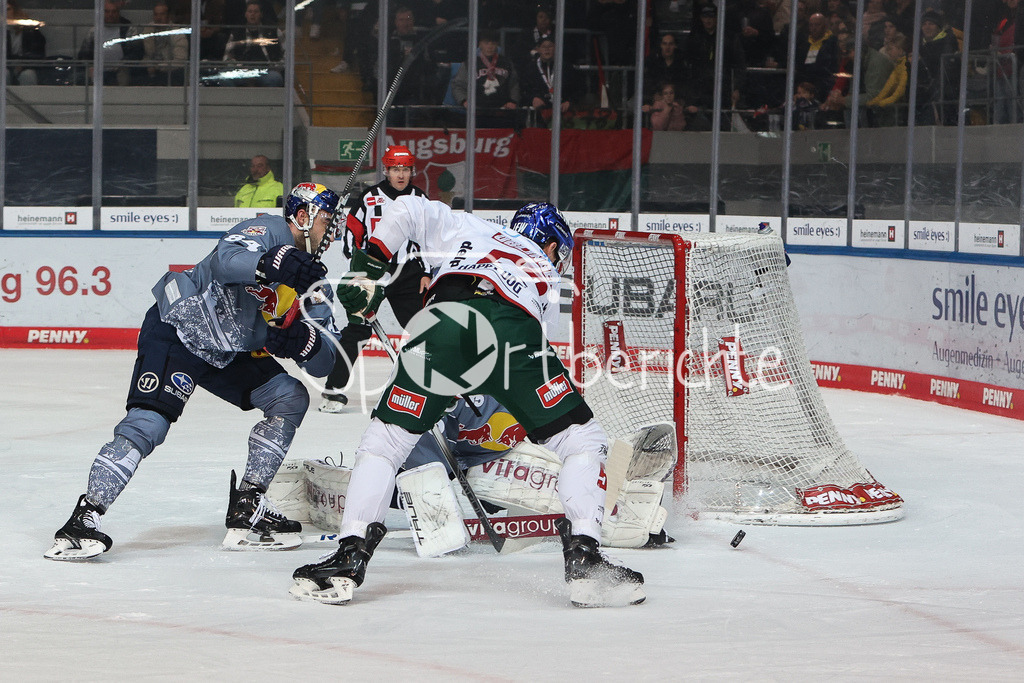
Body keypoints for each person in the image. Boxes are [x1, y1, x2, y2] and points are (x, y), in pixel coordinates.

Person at [290, 198, 646, 607]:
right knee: (581, 440)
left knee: (385, 442)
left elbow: (405, 210)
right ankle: (585, 558)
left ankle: (348, 556)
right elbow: (509, 380)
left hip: (441, 324)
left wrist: (365, 270)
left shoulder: (471, 228)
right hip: (513, 332)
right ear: (550, 244)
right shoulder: (545, 273)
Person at [44, 183, 344, 561]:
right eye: (328, 221)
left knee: (291, 396)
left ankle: (248, 506)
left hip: (227, 349)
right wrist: (276, 263)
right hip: (180, 327)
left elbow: (326, 363)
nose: (334, 231)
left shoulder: (315, 287)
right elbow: (227, 261)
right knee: (149, 424)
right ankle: (82, 520)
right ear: (303, 217)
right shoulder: (270, 230)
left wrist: (304, 343)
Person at [319, 145, 428, 413]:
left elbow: (429, 237)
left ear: (412, 171)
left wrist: (427, 271)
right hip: (371, 271)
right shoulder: (369, 198)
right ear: (386, 170)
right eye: (395, 169)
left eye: (405, 169)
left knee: (423, 331)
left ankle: (431, 391)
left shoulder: (420, 199)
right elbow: (352, 234)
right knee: (357, 330)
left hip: (409, 274)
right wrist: (357, 268)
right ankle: (333, 390)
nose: (400, 174)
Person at [451, 30, 522, 128]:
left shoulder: (507, 63)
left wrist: (513, 101)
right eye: (486, 43)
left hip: (502, 113)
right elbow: (458, 85)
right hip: (477, 114)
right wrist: (464, 101)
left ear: (497, 44)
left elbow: (514, 84)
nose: (490, 46)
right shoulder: (470, 63)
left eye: (493, 43)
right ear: (480, 44)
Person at [77, 1, 144, 86]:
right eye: (107, 12)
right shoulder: (94, 31)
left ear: (118, 13)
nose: (110, 14)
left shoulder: (128, 30)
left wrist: (123, 63)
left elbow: (137, 52)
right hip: (97, 69)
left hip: (121, 69)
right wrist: (91, 65)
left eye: (114, 12)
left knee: (124, 74)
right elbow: (84, 54)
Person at [222, 0, 284, 87]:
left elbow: (286, 55)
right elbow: (227, 57)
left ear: (261, 14)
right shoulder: (236, 33)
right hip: (241, 70)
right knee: (224, 77)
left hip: (266, 70)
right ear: (245, 14)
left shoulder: (274, 31)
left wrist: (274, 66)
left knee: (275, 78)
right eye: (250, 11)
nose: (252, 14)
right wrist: (237, 66)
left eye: (256, 12)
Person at [520, 36, 580, 126]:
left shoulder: (566, 67)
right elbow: (523, 89)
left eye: (550, 46)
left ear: (556, 48)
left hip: (563, 112)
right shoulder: (530, 68)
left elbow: (578, 88)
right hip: (539, 112)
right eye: (544, 47)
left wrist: (569, 101)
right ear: (538, 49)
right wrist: (533, 98)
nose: (547, 49)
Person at [915, 9, 959, 125]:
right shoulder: (920, 45)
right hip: (928, 96)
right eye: (924, 24)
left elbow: (945, 74)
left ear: (938, 27)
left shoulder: (947, 43)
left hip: (945, 96)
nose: (927, 27)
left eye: (931, 24)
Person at [141, 1, 188, 86]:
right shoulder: (148, 30)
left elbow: (180, 60)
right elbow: (146, 55)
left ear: (169, 16)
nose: (158, 18)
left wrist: (158, 67)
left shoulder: (178, 33)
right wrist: (149, 66)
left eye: (162, 14)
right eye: (156, 14)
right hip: (149, 70)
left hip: (170, 71)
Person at [6, 0, 46, 85]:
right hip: (6, 66)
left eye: (8, 9)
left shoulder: (30, 31)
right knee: (4, 74)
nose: (5, 13)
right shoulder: (3, 32)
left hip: (26, 66)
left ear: (15, 10)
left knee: (28, 75)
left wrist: (23, 65)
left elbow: (38, 53)